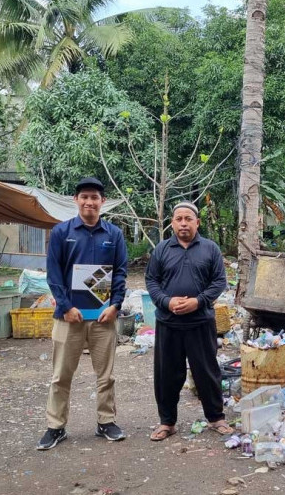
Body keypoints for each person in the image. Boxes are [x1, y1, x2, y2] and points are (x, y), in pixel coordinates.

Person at [37, 177, 128, 450]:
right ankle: (56, 427)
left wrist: (115, 305)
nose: (90, 202)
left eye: (95, 197)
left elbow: (121, 272)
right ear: (76, 200)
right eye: (84, 197)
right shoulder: (61, 232)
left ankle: (106, 422)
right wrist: (65, 307)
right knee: (60, 376)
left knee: (106, 375)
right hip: (69, 318)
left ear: (102, 202)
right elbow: (53, 275)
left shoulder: (114, 235)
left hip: (103, 318)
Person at [145, 201, 232, 441]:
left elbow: (218, 282)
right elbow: (152, 281)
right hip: (168, 322)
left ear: (197, 222)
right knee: (167, 374)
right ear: (172, 223)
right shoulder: (162, 249)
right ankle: (167, 422)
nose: (183, 223)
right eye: (179, 219)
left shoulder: (210, 249)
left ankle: (216, 418)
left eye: (188, 219)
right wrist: (166, 301)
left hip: (200, 322)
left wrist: (198, 301)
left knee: (207, 371)